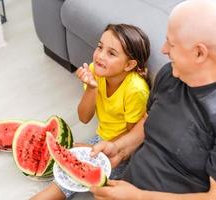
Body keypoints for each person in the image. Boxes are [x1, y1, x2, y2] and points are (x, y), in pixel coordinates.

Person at [89, 0, 216, 200]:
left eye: (171, 43)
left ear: (199, 53)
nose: (163, 49)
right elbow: (149, 120)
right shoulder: (171, 74)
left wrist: (138, 197)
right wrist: (120, 147)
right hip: (127, 187)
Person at [31, 23, 151, 200]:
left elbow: (132, 135)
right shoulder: (95, 71)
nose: (100, 56)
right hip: (102, 139)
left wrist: (92, 148)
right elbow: (84, 117)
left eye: (111, 53)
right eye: (100, 47)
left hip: (124, 151)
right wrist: (91, 89)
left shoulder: (136, 90)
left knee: (92, 186)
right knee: (64, 180)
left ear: (129, 64)